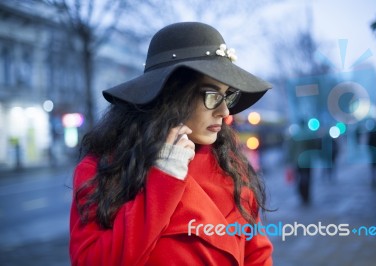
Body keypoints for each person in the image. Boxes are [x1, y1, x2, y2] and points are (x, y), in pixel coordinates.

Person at [69, 22, 273, 265]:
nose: (224, 110)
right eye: (212, 96)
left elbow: (258, 255)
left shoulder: (230, 165)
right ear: (171, 97)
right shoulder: (104, 169)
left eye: (227, 95)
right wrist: (164, 178)